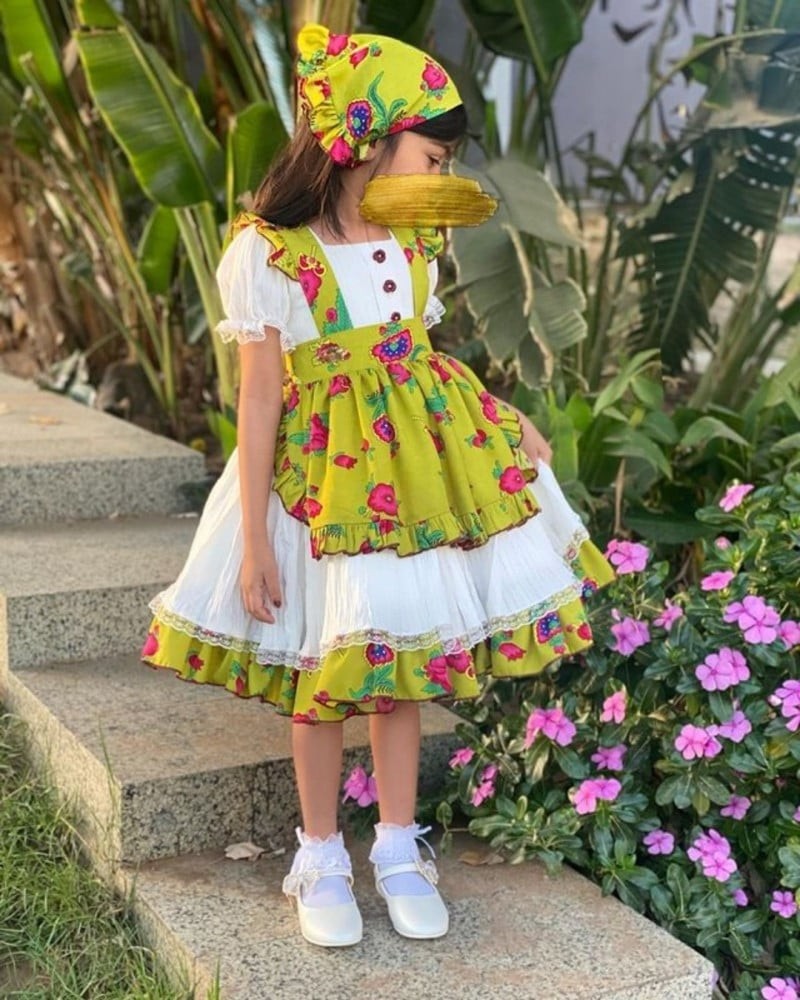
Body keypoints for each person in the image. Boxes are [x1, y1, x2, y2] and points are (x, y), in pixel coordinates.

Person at [142, 22, 614, 949]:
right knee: (323, 672)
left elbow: (421, 355)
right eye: (431, 154)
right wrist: (252, 538)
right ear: (369, 137)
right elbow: (261, 393)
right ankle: (320, 854)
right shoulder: (270, 251)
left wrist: (503, 417)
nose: (439, 172)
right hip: (319, 489)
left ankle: (398, 847)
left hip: (415, 481)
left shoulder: (412, 239)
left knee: (402, 665)